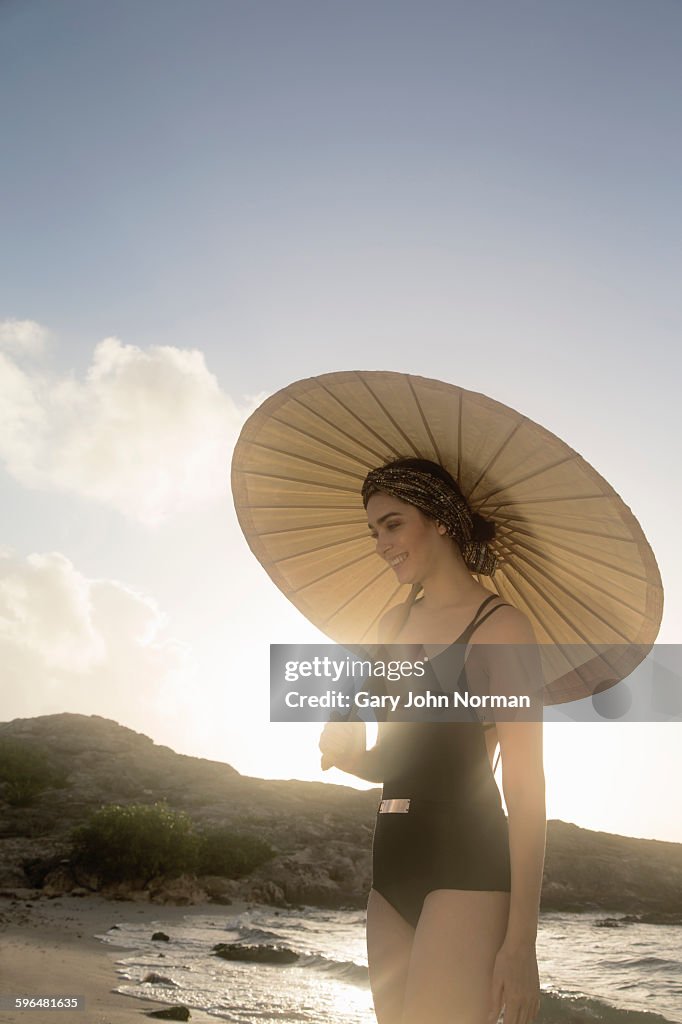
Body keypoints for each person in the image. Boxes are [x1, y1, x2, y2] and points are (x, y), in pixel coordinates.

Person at [319, 457, 546, 1024]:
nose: (381, 543)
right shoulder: (390, 625)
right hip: (390, 854)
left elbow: (525, 788)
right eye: (374, 530)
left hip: (466, 859)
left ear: (441, 519)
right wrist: (349, 758)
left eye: (393, 524)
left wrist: (521, 945)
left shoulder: (500, 629)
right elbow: (396, 760)